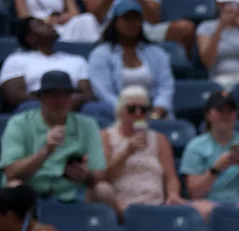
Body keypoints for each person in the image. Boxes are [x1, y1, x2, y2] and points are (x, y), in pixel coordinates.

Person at [0, 70, 116, 214]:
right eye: (52, 95)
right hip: (31, 193)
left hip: (74, 193)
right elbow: (11, 172)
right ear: (41, 98)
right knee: (13, 187)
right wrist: (45, 151)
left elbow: (100, 173)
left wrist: (87, 175)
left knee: (104, 189)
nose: (59, 101)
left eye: (64, 95)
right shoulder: (18, 123)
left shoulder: (88, 124)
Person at [179, 91, 239, 220]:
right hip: (208, 203)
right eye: (220, 110)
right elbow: (194, 192)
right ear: (208, 114)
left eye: (231, 110)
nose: (226, 115)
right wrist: (216, 169)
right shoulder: (196, 145)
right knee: (199, 209)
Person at [100, 86, 185, 218]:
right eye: (132, 109)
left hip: (156, 206)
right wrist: (127, 152)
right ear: (121, 111)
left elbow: (170, 177)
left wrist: (173, 194)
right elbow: (104, 177)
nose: (138, 113)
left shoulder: (159, 139)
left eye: (144, 109)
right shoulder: (106, 136)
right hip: (122, 208)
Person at [87, 0, 175, 120]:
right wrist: (130, 112)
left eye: (135, 18)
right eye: (126, 18)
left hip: (154, 114)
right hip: (116, 116)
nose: (131, 23)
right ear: (115, 22)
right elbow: (103, 92)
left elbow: (166, 87)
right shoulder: (101, 54)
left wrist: (157, 111)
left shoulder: (157, 53)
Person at [0, 17, 95, 112]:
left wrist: (70, 102)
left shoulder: (76, 60)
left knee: (97, 109)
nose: (49, 25)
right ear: (30, 38)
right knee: (30, 107)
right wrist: (52, 103)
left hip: (74, 107)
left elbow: (87, 92)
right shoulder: (16, 59)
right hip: (36, 106)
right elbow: (13, 94)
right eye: (41, 25)